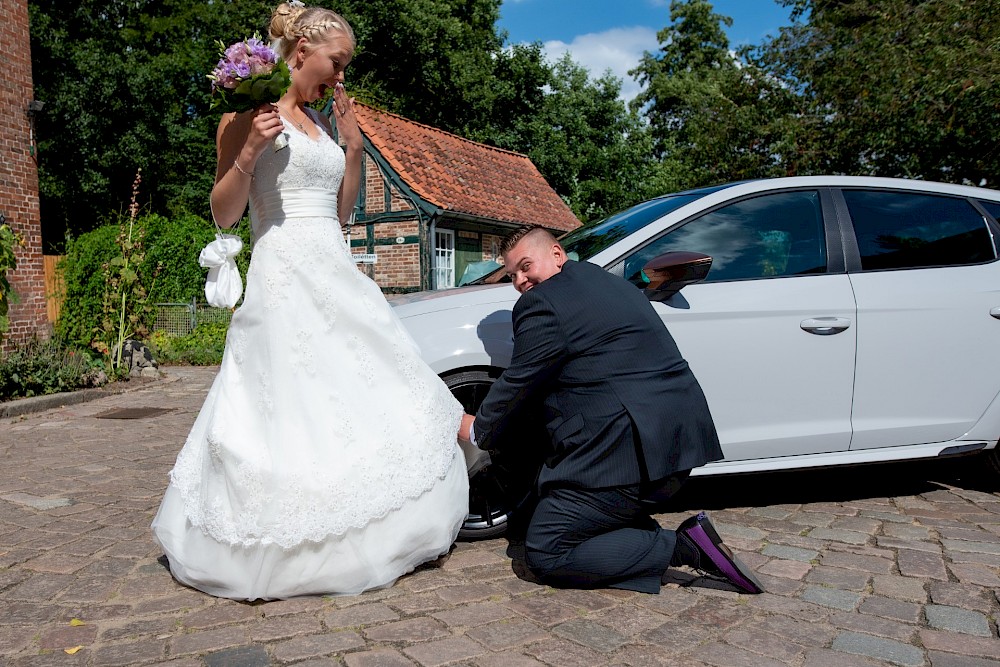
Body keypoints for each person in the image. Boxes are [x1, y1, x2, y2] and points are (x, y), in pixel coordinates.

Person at [151, 3, 469, 601]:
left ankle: (377, 522)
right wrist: (248, 152)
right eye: (336, 62)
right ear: (300, 51)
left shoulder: (326, 126)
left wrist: (351, 149)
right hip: (284, 274)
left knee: (362, 391)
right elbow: (224, 213)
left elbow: (343, 214)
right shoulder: (246, 116)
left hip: (335, 270)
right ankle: (283, 540)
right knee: (289, 404)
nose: (341, 76)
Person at [459, 226, 763, 595]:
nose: (521, 281)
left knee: (546, 550)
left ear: (557, 254)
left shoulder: (542, 302)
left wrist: (477, 430)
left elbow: (519, 380)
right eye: (512, 275)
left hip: (628, 456)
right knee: (568, 509)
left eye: (526, 266)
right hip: (677, 443)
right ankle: (629, 531)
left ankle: (685, 547)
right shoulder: (606, 281)